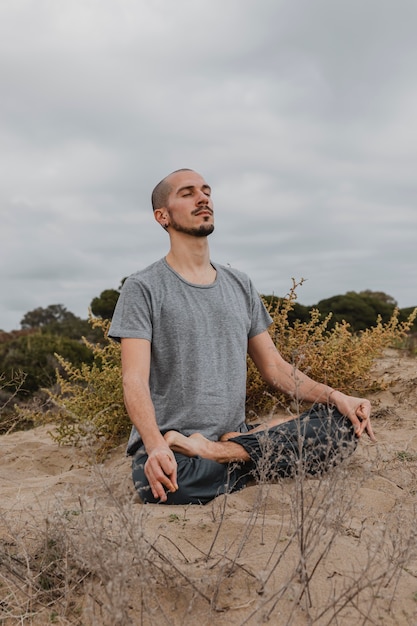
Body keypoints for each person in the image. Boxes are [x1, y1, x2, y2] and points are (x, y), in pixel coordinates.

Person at [109, 168, 375, 505]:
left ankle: (225, 451)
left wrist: (337, 397)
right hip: (175, 448)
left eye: (206, 191)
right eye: (187, 193)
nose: (203, 197)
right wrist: (156, 445)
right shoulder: (142, 287)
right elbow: (134, 380)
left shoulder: (240, 284)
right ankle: (248, 449)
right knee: (173, 487)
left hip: (226, 439)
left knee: (342, 427)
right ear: (162, 216)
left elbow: (275, 368)